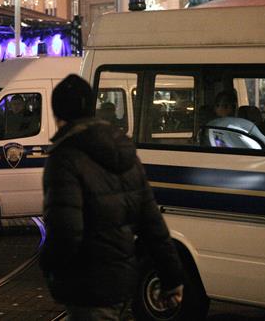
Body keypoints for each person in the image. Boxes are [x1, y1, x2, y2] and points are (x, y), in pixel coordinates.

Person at [40, 74, 184, 320]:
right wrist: (172, 278)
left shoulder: (64, 158)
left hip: (85, 283)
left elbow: (66, 231)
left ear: (57, 114)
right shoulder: (124, 151)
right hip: (121, 281)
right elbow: (152, 224)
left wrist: (49, 265)